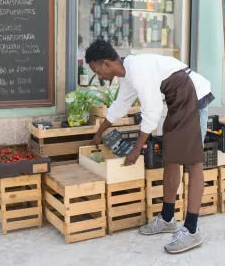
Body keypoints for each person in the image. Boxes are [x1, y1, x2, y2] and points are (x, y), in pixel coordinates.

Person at [86, 40, 214, 254]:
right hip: (177, 101)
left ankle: (192, 230)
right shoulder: (127, 73)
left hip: (194, 96)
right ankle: (167, 218)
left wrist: (137, 148)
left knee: (194, 163)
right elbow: (121, 104)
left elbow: (152, 111)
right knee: (171, 159)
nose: (98, 75)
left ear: (106, 64)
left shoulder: (139, 71)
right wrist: (100, 132)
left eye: (96, 70)